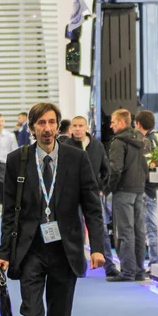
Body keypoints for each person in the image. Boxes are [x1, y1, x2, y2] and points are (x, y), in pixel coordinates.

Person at [0, 102, 105, 316]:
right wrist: (4, 253)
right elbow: (9, 214)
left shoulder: (76, 158)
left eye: (52, 122)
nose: (47, 128)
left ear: (59, 127)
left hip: (65, 252)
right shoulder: (18, 160)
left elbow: (92, 207)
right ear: (32, 127)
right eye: (41, 123)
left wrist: (96, 247)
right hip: (30, 250)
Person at [66, 116, 118, 277]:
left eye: (80, 125)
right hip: (71, 196)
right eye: (74, 126)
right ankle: (78, 266)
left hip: (92, 195)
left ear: (86, 127)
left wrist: (101, 187)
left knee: (100, 228)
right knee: (76, 231)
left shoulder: (96, 145)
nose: (77, 129)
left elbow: (105, 169)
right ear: (70, 129)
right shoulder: (65, 146)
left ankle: (109, 265)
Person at [106, 109, 148, 282]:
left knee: (124, 231)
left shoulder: (118, 142)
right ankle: (139, 270)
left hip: (123, 190)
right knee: (139, 231)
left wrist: (109, 187)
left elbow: (115, 169)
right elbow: (146, 165)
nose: (111, 125)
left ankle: (127, 272)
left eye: (113, 122)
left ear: (122, 123)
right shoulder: (141, 140)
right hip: (139, 189)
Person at [135, 110, 158, 272]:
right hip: (157, 188)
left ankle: (155, 262)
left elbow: (145, 167)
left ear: (138, 124)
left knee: (151, 227)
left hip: (148, 189)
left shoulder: (146, 141)